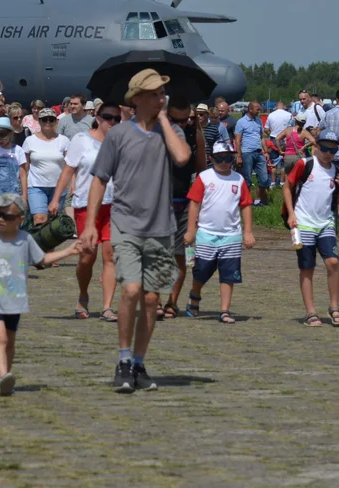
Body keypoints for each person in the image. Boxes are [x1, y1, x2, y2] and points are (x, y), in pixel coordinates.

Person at [81, 69, 190, 393]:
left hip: (160, 227)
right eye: (155, 94)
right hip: (125, 224)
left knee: (153, 298)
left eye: (162, 94)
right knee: (130, 290)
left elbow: (183, 157)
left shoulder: (169, 133)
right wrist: (89, 224)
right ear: (138, 98)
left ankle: (140, 363)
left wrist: (166, 121)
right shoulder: (118, 135)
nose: (161, 99)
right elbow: (99, 179)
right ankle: (124, 359)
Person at [0, 193, 81, 397]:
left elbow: (43, 259)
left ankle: (6, 376)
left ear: (20, 219)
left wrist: (68, 252)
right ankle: (3, 375)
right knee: (0, 338)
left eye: (7, 216)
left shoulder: (25, 240)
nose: (1, 219)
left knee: (10, 340)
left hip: (15, 300)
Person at [53, 100, 120, 321]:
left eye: (117, 119)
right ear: (98, 118)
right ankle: (83, 294)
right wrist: (56, 199)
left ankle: (108, 306)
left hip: (114, 204)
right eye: (108, 117)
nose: (113, 122)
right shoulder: (81, 140)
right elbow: (67, 170)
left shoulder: (120, 142)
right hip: (85, 204)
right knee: (87, 256)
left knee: (110, 256)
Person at [183, 140, 255, 323]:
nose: (224, 162)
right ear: (211, 158)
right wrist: (191, 231)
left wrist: (248, 231)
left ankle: (225, 310)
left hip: (231, 235)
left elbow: (246, 205)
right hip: (207, 233)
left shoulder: (238, 179)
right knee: (201, 271)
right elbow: (194, 204)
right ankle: (195, 295)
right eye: (220, 158)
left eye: (228, 158)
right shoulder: (205, 177)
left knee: (228, 274)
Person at [282, 131, 339, 328]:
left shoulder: (335, 170)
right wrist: (291, 215)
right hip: (303, 223)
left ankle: (335, 307)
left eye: (333, 149)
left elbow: (338, 204)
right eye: (325, 148)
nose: (329, 153)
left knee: (333, 262)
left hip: (325, 222)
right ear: (316, 147)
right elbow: (287, 187)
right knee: (307, 267)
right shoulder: (305, 164)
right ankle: (311, 312)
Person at [164, 94, 207, 320]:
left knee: (180, 254)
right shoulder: (161, 134)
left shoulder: (195, 135)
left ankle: (171, 302)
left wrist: (199, 205)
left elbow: (201, 171)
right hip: (159, 201)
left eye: (190, 119)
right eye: (179, 120)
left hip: (183, 200)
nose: (185, 123)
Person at [23, 108, 70, 226]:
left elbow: (70, 166)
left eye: (51, 119)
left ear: (56, 121)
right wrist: (23, 189)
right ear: (39, 121)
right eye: (44, 119)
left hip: (58, 187)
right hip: (36, 186)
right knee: (39, 219)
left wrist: (72, 184)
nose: (48, 122)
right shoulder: (29, 141)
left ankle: (47, 245)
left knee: (53, 224)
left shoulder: (64, 140)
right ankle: (37, 244)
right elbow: (24, 167)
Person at [0, 116, 28, 212]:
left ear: (11, 134)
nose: (0, 140)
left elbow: (23, 176)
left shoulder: (18, 150)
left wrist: (24, 196)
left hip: (14, 194)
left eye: (3, 137)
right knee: (0, 222)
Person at [234, 101, 269, 206]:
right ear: (250, 109)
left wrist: (266, 151)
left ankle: (259, 200)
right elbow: (238, 140)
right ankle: (246, 201)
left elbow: (261, 137)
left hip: (259, 153)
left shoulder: (258, 121)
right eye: (257, 109)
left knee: (264, 179)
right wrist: (239, 155)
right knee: (247, 179)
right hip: (247, 153)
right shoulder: (241, 122)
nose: (259, 111)